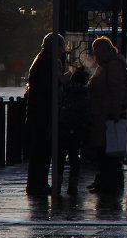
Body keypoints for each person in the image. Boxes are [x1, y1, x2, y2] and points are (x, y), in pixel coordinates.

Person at [86, 36, 127, 193]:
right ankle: (105, 180)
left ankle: (110, 182)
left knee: (110, 151)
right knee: (105, 151)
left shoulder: (112, 65)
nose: (94, 53)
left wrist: (116, 113)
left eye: (96, 50)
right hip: (103, 113)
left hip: (109, 115)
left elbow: (117, 89)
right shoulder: (105, 65)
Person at [25, 33, 65, 196]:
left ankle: (38, 182)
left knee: (40, 150)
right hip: (43, 113)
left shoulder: (42, 59)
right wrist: (64, 80)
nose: (63, 50)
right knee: (42, 149)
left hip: (39, 112)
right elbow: (50, 86)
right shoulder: (49, 62)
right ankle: (38, 183)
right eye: (62, 46)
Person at [58, 66, 91, 196]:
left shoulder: (65, 91)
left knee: (60, 156)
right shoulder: (86, 93)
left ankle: (58, 184)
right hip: (78, 129)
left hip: (63, 126)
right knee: (74, 157)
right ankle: (73, 186)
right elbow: (88, 113)